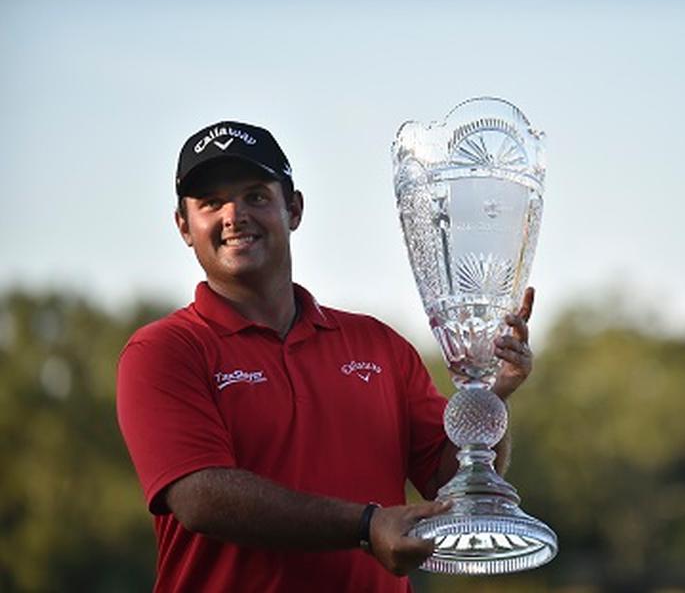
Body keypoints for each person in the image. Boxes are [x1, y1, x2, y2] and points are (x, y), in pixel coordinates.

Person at [116, 120, 536, 592]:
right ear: (184, 227)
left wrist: (492, 391)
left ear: (293, 209)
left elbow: (448, 486)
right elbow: (200, 497)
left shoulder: (379, 346)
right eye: (211, 203)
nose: (234, 215)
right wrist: (365, 526)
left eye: (256, 195)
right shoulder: (163, 352)